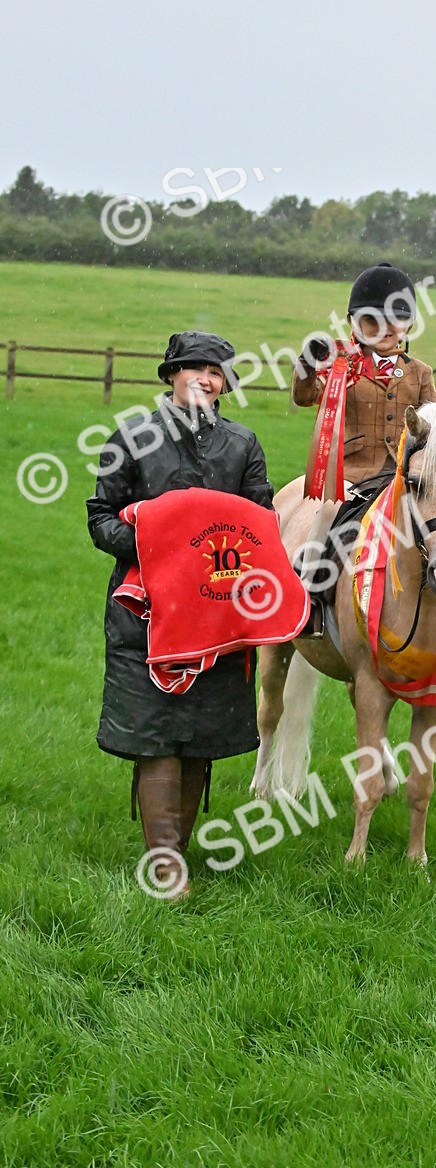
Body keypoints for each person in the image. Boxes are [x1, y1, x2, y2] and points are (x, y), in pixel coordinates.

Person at [87, 330, 274, 896]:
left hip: (217, 616)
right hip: (144, 615)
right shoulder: (132, 436)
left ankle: (176, 855)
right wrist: (159, 551)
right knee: (158, 733)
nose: (205, 378)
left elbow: (260, 525)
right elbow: (101, 518)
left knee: (200, 733)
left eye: (215, 371)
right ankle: (165, 863)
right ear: (171, 376)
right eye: (193, 368)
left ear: (224, 384)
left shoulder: (242, 445)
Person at [292, 261, 436, 639]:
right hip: (353, 479)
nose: (386, 330)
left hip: (405, 479)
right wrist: (308, 363)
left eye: (397, 320)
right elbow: (305, 395)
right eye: (373, 321)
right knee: (326, 517)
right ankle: (310, 596)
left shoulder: (420, 371)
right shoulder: (340, 365)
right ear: (353, 322)